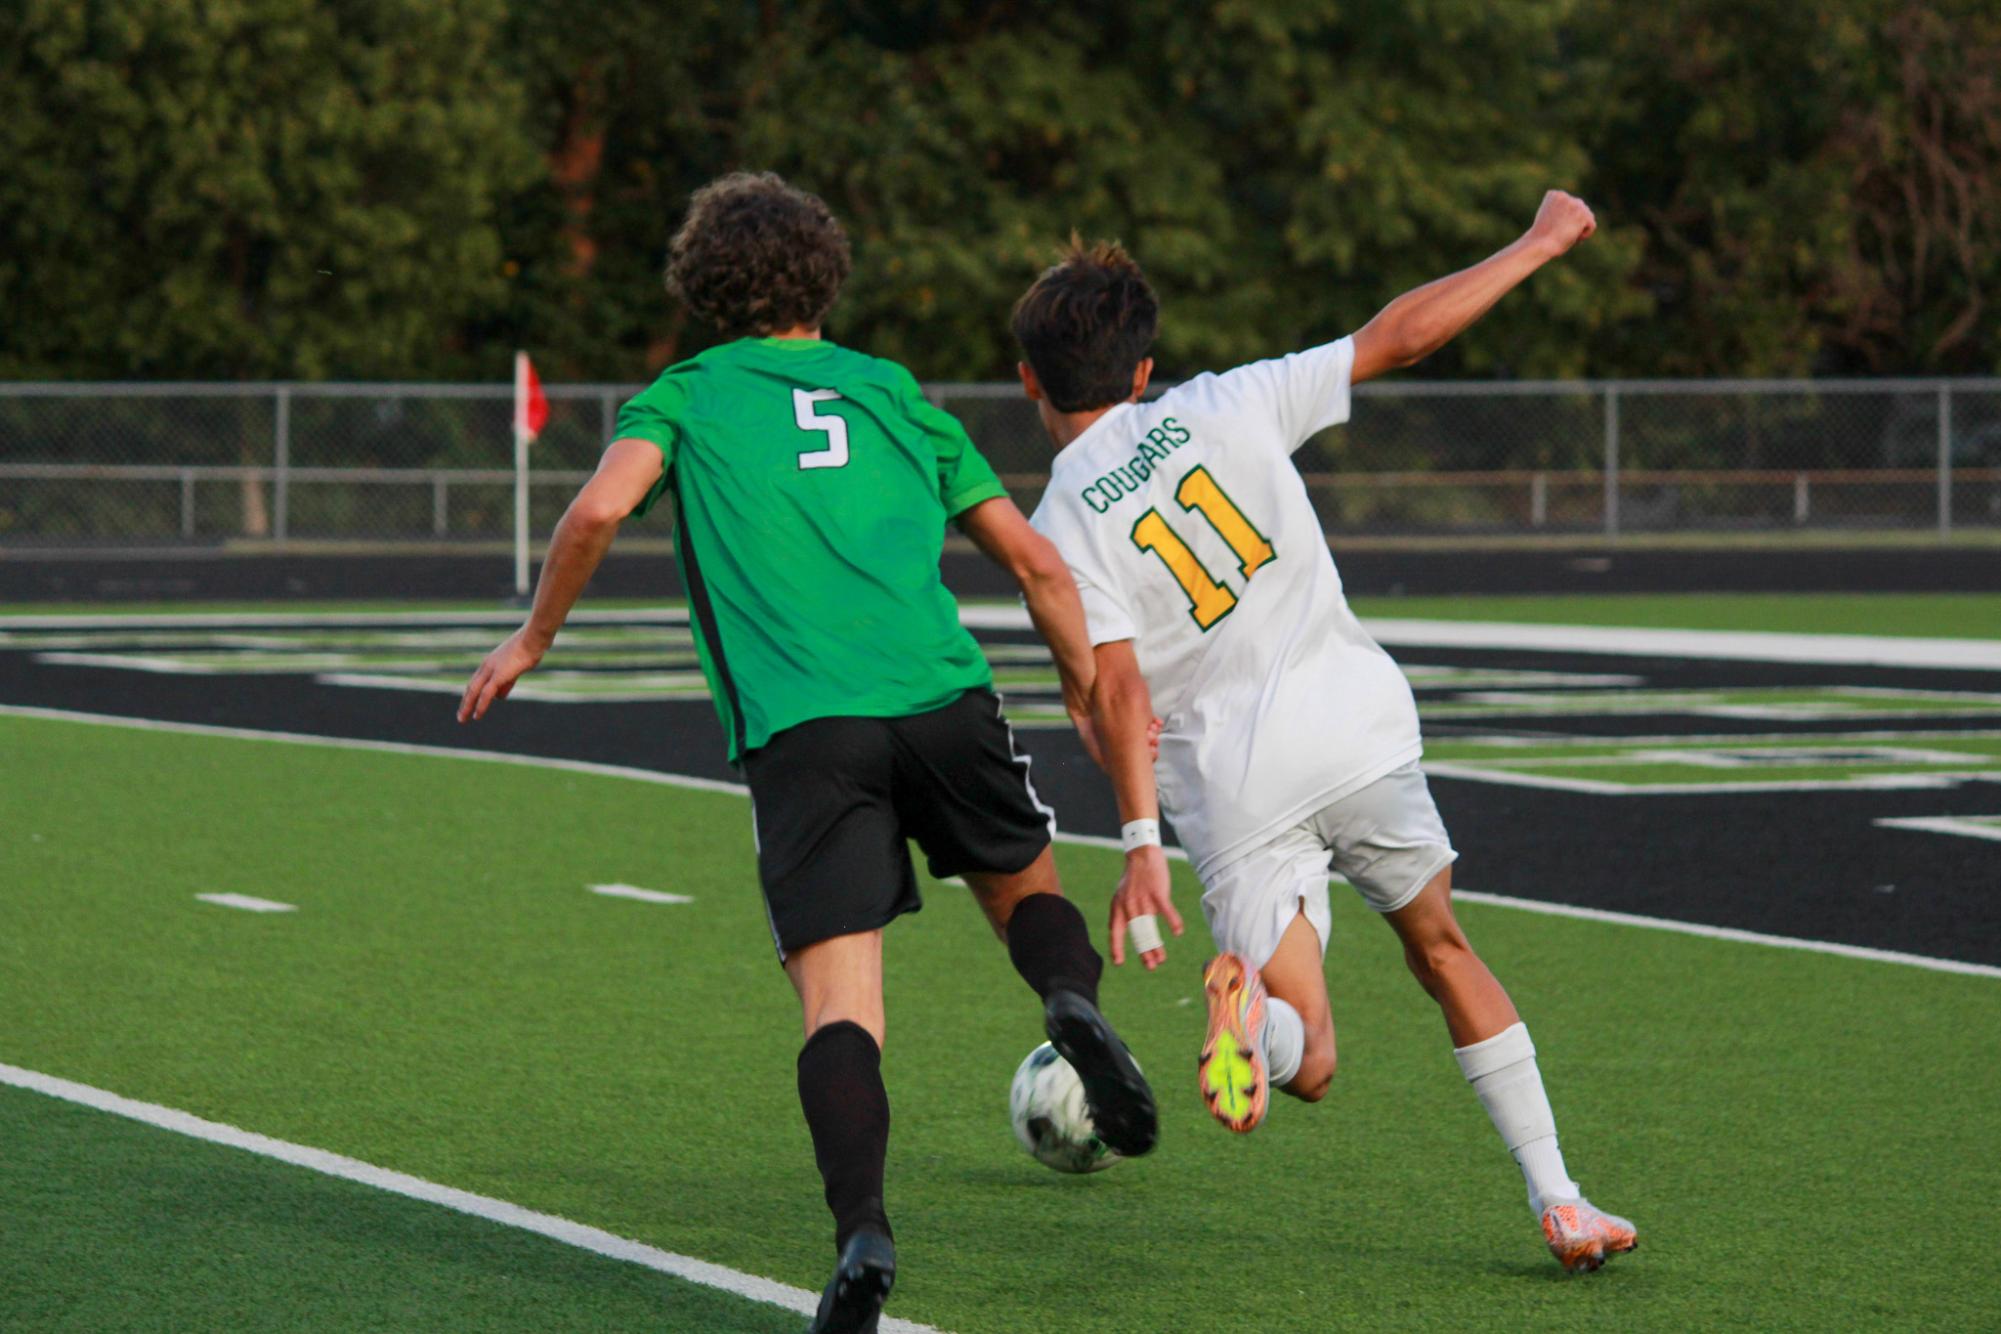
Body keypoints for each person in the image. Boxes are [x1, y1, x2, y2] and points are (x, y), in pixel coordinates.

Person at [458, 171, 1161, 1331]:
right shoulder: (891, 392)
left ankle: (863, 1232)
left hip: (806, 731)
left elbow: (592, 512)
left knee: (841, 1003)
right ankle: (1069, 1001)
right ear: (825, 275)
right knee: (1022, 886)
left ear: (701, 288)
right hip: (943, 697)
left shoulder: (681, 397)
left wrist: (536, 636)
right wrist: (1085, 688)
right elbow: (1035, 564)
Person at [1014, 191, 1638, 1273]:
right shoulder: (1230, 400)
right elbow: (1398, 335)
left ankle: (1257, 1016)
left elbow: (1113, 690)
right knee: (1442, 948)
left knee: (1312, 1060)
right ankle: (1563, 1197)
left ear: (1030, 382)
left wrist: (1138, 844)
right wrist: (1536, 243)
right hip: (1355, 724)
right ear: (1143, 369)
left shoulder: (1055, 522)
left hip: (1237, 784)